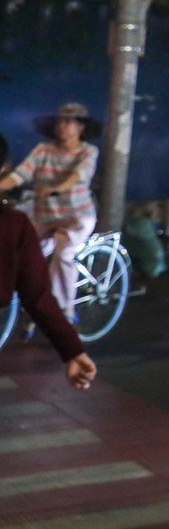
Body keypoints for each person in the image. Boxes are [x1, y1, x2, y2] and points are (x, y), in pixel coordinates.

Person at [0, 102, 101, 317]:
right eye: (59, 121)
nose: (62, 126)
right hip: (45, 217)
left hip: (77, 217)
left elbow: (79, 176)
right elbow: (21, 174)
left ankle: (62, 309)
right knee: (20, 250)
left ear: (81, 127)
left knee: (64, 253)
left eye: (68, 122)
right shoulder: (42, 150)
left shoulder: (87, 152)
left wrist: (56, 189)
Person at [0, 203, 96, 389]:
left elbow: (37, 294)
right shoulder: (13, 223)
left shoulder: (14, 224)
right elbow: (38, 296)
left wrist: (73, 350)